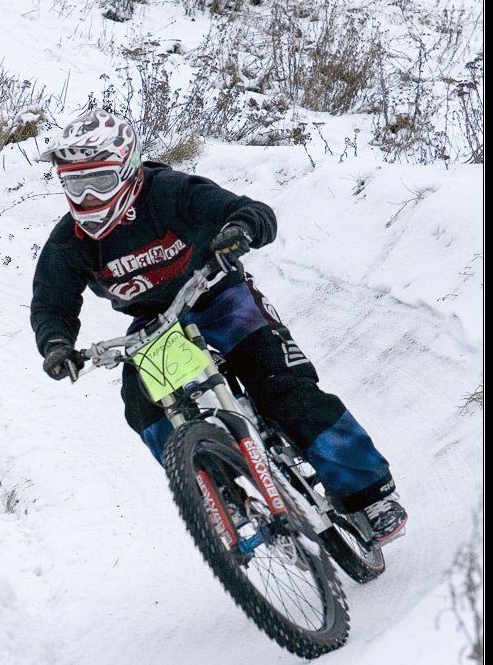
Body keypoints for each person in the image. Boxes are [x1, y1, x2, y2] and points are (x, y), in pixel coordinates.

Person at [31, 108, 407, 547]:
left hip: (218, 297)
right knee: (145, 410)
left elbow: (250, 211)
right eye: (76, 184)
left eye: (100, 180)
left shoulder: (169, 192)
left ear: (130, 170)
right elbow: (51, 303)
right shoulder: (69, 242)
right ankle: (223, 498)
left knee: (283, 387)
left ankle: (370, 495)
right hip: (156, 328)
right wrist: (57, 345)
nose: (89, 197)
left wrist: (239, 229)